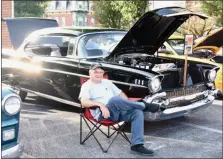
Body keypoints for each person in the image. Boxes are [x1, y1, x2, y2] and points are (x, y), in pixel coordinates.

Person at [78, 63, 166, 156]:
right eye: (95, 72)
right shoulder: (87, 85)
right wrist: (100, 105)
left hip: (118, 112)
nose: (98, 74)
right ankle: (145, 106)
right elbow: (83, 102)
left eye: (101, 72)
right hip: (104, 115)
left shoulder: (107, 82)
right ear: (90, 73)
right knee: (114, 100)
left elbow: (121, 93)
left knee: (137, 112)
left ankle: (136, 145)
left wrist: (126, 104)